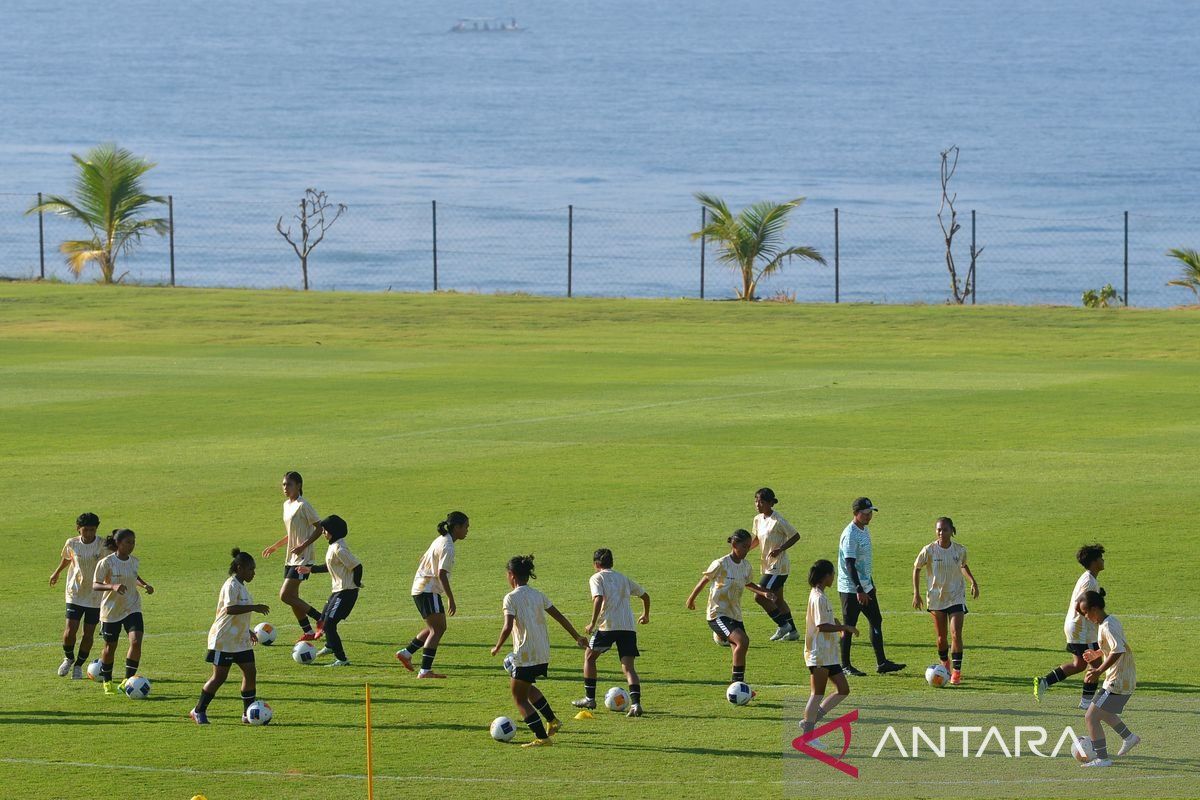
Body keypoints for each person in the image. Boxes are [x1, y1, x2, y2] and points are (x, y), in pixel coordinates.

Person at [490, 555, 588, 748]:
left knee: (519, 698)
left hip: (525, 655)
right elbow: (559, 617)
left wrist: (497, 647)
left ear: (511, 575)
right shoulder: (538, 595)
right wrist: (576, 636)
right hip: (542, 653)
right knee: (526, 688)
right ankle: (552, 720)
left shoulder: (510, 598)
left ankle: (542, 738)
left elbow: (508, 626)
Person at [685, 529, 777, 689]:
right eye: (744, 546)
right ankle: (737, 683)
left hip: (735, 614)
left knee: (738, 647)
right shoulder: (721, 564)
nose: (747, 550)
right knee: (743, 641)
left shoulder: (746, 566)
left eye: (749, 546)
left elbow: (748, 584)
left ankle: (737, 683)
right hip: (717, 614)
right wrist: (691, 599)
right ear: (734, 545)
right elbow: (704, 581)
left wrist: (764, 592)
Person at [190, 549, 270, 725]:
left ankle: (247, 713)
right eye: (250, 569)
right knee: (219, 677)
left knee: (250, 672)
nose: (253, 573)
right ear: (240, 568)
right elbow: (230, 609)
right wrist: (254, 607)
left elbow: (238, 615)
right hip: (224, 639)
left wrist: (248, 631)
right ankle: (198, 710)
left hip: (240, 640)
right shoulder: (231, 585)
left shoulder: (242, 586)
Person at [571, 548, 650, 717]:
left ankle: (589, 698)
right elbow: (645, 595)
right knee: (629, 667)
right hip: (628, 627)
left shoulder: (597, 578)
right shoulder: (623, 578)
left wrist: (592, 623)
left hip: (608, 626)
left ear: (596, 564)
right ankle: (636, 704)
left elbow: (598, 598)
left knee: (589, 658)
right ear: (611, 563)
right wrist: (645, 615)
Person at [836, 497, 904, 676]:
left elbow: (863, 562)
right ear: (855, 514)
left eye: (870, 513)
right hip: (851, 590)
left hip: (866, 586)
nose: (869, 516)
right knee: (849, 627)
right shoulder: (850, 534)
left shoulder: (863, 530)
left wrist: (870, 584)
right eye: (865, 513)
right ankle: (845, 665)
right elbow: (849, 564)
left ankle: (882, 663)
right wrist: (859, 589)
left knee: (876, 620)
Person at [396, 511, 469, 678]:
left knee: (435, 627)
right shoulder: (448, 546)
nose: (467, 530)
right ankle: (425, 671)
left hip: (423, 588)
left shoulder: (442, 539)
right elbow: (442, 573)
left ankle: (406, 653)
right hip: (428, 589)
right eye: (465, 527)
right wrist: (451, 598)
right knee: (438, 628)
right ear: (456, 527)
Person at [1035, 543, 1105, 706]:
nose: (1103, 560)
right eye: (1100, 558)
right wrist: (1092, 618)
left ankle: (1044, 682)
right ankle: (1086, 703)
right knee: (1096, 664)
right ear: (1094, 562)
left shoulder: (1089, 578)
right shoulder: (1089, 581)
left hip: (1075, 627)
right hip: (1082, 630)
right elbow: (1079, 605)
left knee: (1079, 664)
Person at [911, 517, 979, 685]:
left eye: (944, 530)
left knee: (956, 633)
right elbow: (917, 568)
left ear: (951, 531)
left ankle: (956, 671)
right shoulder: (929, 550)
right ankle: (945, 664)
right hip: (936, 599)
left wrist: (973, 581)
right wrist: (916, 593)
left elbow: (962, 566)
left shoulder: (959, 550)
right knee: (942, 638)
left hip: (956, 596)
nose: (941, 533)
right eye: (938, 530)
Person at [1078, 590, 1139, 766]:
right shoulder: (1110, 622)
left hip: (1118, 681)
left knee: (1091, 716)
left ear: (1095, 608)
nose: (1086, 617)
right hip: (1121, 678)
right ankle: (1129, 737)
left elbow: (1118, 650)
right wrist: (1097, 653)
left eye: (1086, 613)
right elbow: (1113, 646)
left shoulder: (1107, 626)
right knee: (1104, 712)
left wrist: (1098, 670)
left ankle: (1102, 758)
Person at [801, 559, 858, 749]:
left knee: (843, 689)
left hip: (829, 654)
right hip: (819, 654)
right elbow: (821, 626)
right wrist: (845, 627)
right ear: (826, 576)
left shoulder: (821, 595)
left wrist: (837, 622)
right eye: (832, 574)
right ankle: (808, 734)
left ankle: (811, 720)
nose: (834, 577)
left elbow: (826, 618)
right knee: (816, 693)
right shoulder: (818, 597)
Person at [261, 471, 324, 642]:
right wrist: (276, 546)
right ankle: (309, 631)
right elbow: (292, 533)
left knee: (285, 595)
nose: (285, 488)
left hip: (304, 557)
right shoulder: (286, 505)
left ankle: (321, 619)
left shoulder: (304, 505)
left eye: (289, 484)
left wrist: (304, 545)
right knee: (293, 598)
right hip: (291, 557)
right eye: (283, 484)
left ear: (299, 486)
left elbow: (320, 527)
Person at [92, 529, 155, 695]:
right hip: (111, 611)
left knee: (135, 642)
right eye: (128, 542)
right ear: (118, 543)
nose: (132, 545)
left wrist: (144, 585)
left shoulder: (134, 561)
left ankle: (127, 680)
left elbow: (133, 576)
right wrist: (112, 586)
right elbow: (96, 585)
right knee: (110, 647)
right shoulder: (106, 563)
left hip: (132, 607)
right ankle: (107, 681)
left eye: (133, 542)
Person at [296, 515, 363, 666]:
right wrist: (309, 569)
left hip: (346, 592)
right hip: (338, 591)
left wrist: (356, 583)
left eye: (324, 530)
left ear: (332, 531)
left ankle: (341, 659)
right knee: (323, 619)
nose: (323, 532)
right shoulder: (333, 547)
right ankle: (329, 646)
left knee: (329, 625)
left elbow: (357, 566)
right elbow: (330, 566)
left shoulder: (340, 549)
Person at [49, 512, 104, 679]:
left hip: (95, 596)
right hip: (75, 592)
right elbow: (67, 558)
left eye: (92, 530)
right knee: (70, 630)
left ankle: (79, 665)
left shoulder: (103, 545)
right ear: (78, 529)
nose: (89, 534)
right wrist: (57, 572)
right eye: (85, 530)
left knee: (88, 633)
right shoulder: (71, 543)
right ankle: (68, 658)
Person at [748, 487, 801, 641]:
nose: (758, 504)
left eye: (762, 502)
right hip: (766, 565)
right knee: (778, 600)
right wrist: (745, 551)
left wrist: (781, 548)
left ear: (770, 503)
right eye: (756, 501)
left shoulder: (778, 520)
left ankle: (783, 625)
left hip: (778, 566)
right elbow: (757, 538)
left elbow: (795, 535)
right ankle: (793, 632)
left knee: (759, 596)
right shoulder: (757, 519)